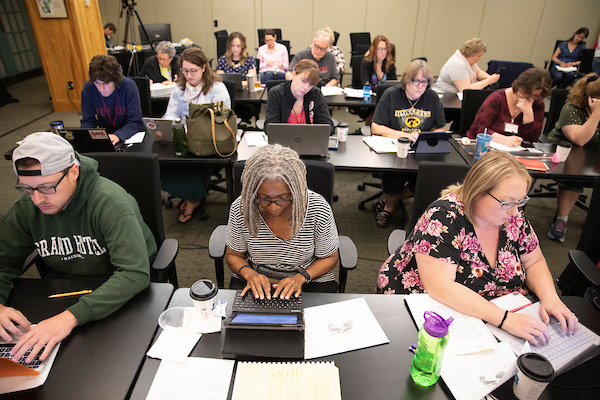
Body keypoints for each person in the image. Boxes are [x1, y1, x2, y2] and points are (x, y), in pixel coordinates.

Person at [376, 150, 579, 345]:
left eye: (521, 202)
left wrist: (550, 298)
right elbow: (440, 287)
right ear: (477, 193)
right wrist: (505, 320)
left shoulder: (511, 216)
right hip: (429, 308)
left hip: (494, 311)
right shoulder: (445, 216)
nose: (516, 212)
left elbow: (533, 260)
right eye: (508, 203)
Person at [0, 132, 156, 364]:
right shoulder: (25, 209)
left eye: (46, 187)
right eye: (28, 189)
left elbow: (134, 274)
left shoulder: (110, 202)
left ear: (73, 172)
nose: (37, 199)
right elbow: (3, 263)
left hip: (118, 291)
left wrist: (69, 318)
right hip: (66, 289)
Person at [225, 144, 340, 299]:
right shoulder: (243, 208)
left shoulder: (317, 208)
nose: (273, 208)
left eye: (283, 199)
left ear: (296, 191)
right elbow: (233, 255)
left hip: (309, 280)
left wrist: (301, 277)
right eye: (264, 199)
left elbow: (330, 258)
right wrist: (250, 274)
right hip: (258, 281)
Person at [371, 59, 446, 228]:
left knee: (427, 177)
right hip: (394, 149)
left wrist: (425, 138)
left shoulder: (432, 97)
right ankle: (389, 207)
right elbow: (375, 127)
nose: (420, 86)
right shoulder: (391, 95)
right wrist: (405, 135)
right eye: (416, 81)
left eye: (424, 81)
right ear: (406, 80)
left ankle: (388, 199)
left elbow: (440, 128)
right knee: (393, 177)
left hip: (421, 151)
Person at [163, 47, 231, 223]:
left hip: (209, 141)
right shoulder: (179, 90)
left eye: (193, 70)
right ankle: (188, 195)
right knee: (166, 160)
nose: (189, 75)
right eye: (185, 71)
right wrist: (176, 126)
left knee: (191, 161)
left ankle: (192, 200)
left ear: (203, 68)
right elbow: (170, 114)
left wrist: (194, 129)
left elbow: (222, 118)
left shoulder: (217, 88)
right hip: (184, 138)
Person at [546, 73, 600, 242]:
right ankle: (562, 220)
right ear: (592, 98)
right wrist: (597, 114)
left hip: (594, 152)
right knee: (576, 175)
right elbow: (580, 140)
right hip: (565, 151)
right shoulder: (571, 108)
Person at [466, 67, 552, 146]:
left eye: (536, 96)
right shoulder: (497, 98)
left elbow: (532, 139)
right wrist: (503, 139)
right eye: (527, 94)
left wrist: (528, 115)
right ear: (519, 87)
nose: (530, 99)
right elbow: (478, 128)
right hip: (487, 147)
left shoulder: (537, 104)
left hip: (517, 152)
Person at [80, 54, 144, 145]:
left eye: (106, 83)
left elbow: (135, 122)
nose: (101, 88)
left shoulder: (129, 86)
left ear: (116, 80)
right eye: (97, 83)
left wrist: (118, 135)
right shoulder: (88, 88)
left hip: (129, 135)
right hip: (105, 136)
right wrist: (90, 138)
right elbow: (88, 121)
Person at [264, 59, 334, 133]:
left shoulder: (316, 94)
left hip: (309, 141)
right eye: (303, 81)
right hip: (282, 142)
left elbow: (328, 127)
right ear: (294, 74)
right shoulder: (276, 93)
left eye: (311, 84)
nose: (306, 87)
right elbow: (270, 128)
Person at [432, 38, 500, 95]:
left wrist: (490, 78)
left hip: (453, 95)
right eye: (478, 56)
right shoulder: (458, 64)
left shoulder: (468, 61)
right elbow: (466, 89)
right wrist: (488, 81)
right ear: (472, 53)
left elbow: (478, 72)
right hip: (445, 96)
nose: (479, 59)